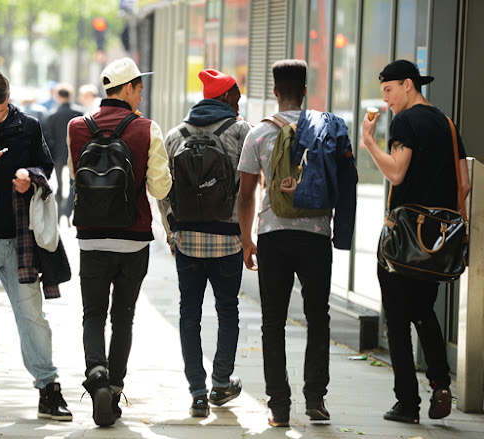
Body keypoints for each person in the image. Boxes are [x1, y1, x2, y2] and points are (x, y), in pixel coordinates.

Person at [238, 59, 356, 428]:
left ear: (275, 92)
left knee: (273, 321)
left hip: (273, 235)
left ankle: (279, 407)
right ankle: (316, 400)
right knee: (318, 317)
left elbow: (245, 195)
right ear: (305, 91)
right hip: (316, 236)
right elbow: (345, 181)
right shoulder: (324, 129)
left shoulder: (258, 134)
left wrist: (246, 241)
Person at [0, 71, 72, 422]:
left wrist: (29, 177)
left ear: (9, 100)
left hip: (19, 236)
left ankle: (48, 388)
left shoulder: (28, 125)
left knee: (32, 316)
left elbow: (46, 165)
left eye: (1, 110)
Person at [361, 59, 470, 424]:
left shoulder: (405, 122)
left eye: (389, 90)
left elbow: (396, 171)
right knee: (424, 312)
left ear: (409, 84)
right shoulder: (447, 124)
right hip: (436, 243)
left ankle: (407, 403)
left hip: (402, 240)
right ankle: (440, 382)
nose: (387, 100)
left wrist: (369, 144)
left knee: (397, 318)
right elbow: (465, 184)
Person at [67, 57, 172, 426]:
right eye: (139, 87)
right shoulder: (147, 128)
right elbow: (160, 187)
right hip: (133, 239)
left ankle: (96, 375)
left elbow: (75, 177)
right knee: (123, 318)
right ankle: (113, 388)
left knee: (92, 314)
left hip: (91, 239)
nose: (142, 93)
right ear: (127, 89)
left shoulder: (77, 127)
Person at [158, 69, 250, 417]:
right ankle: (221, 383)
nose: (239, 104)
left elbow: (163, 190)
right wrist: (245, 234)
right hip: (228, 241)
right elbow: (247, 191)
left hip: (189, 239)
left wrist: (172, 232)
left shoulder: (175, 134)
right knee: (228, 311)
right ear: (226, 97)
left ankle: (197, 392)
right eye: (237, 98)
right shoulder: (241, 132)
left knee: (189, 314)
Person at [45, 83, 83, 224]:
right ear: (70, 96)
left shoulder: (53, 115)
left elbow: (49, 137)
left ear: (58, 96)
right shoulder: (79, 113)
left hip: (58, 153)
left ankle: (59, 213)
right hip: (75, 152)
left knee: (59, 184)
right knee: (73, 183)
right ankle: (68, 213)